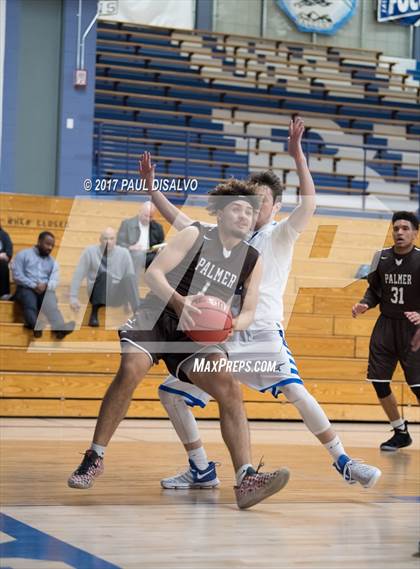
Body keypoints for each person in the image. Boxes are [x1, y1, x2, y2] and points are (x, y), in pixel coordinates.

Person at [140, 116, 381, 491]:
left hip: (264, 332)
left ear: (276, 207)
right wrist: (154, 193)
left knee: (296, 391)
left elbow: (311, 203)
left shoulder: (280, 234)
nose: (253, 205)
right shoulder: (228, 237)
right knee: (170, 393)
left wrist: (297, 155)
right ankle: (201, 468)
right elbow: (184, 222)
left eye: (262, 200)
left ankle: (344, 461)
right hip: (224, 336)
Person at [68, 181, 291, 510]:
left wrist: (230, 326)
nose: (245, 215)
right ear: (220, 210)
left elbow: (248, 311)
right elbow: (154, 275)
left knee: (228, 387)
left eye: (251, 210)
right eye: (237, 208)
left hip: (196, 333)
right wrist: (181, 303)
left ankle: (246, 479)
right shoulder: (196, 233)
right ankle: (94, 457)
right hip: (158, 314)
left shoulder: (252, 259)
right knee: (131, 369)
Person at [352, 211, 420, 452]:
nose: (399, 232)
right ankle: (400, 431)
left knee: (417, 386)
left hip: (414, 330)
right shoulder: (379, 258)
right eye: (396, 228)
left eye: (405, 228)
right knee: (379, 381)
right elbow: (374, 290)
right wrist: (365, 303)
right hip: (386, 326)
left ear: (415, 232)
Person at [70, 227, 140, 327]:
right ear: (100, 240)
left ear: (116, 240)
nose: (108, 242)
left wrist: (128, 301)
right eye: (105, 238)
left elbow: (130, 278)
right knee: (104, 274)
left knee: (130, 277)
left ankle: (137, 313)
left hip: (116, 295)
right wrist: (73, 297)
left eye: (111, 239)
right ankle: (94, 314)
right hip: (97, 292)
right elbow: (78, 275)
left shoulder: (124, 253)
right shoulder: (90, 251)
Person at [11, 231, 74, 339]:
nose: (50, 248)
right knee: (29, 301)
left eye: (52, 246)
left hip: (44, 290)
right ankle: (35, 325)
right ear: (39, 242)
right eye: (47, 244)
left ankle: (60, 328)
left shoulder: (53, 262)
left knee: (50, 300)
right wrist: (33, 285)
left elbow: (54, 280)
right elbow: (17, 275)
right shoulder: (24, 254)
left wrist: (46, 285)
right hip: (26, 288)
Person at [117, 202, 165, 281]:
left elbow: (161, 243)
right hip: (131, 253)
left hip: (149, 254)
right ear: (140, 212)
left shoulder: (158, 227)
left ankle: (155, 282)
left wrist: (160, 249)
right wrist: (130, 247)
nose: (148, 219)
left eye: (151, 217)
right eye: (146, 216)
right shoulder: (127, 224)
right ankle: (132, 281)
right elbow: (119, 243)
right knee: (138, 254)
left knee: (163, 257)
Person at [0, 225, 13, 299]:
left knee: (3, 263)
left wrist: (4, 256)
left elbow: (8, 255)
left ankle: (3, 294)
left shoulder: (4, 235)